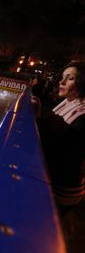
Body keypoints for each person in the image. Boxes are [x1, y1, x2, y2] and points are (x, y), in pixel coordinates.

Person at [32, 62, 85, 214]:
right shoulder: (67, 103)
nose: (61, 82)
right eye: (62, 77)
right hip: (52, 179)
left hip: (64, 189)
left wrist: (38, 118)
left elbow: (62, 151)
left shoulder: (82, 117)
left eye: (70, 78)